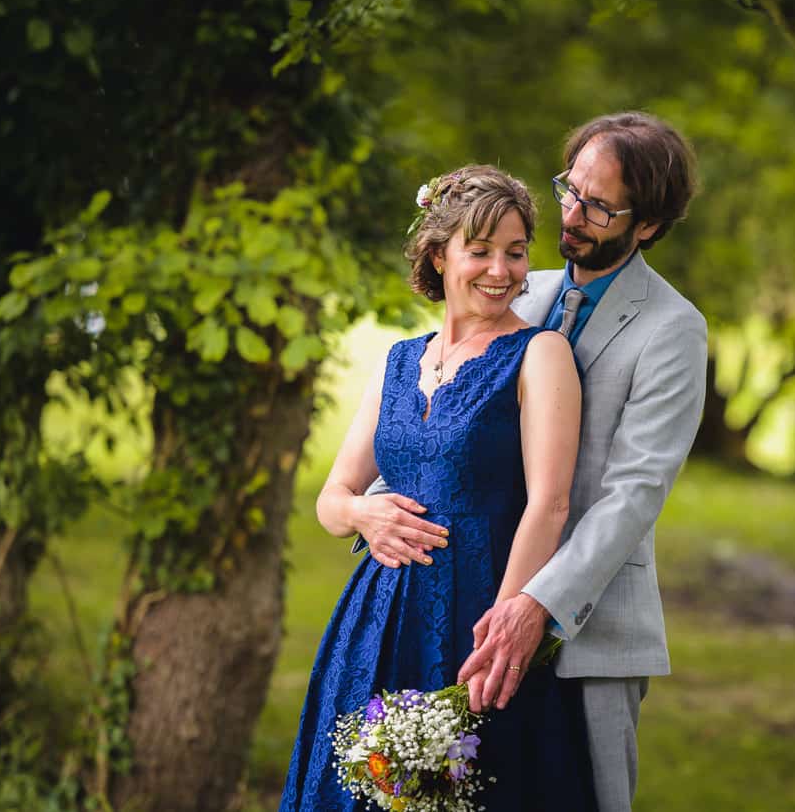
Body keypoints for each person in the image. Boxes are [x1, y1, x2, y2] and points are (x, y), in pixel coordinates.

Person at [363, 111, 708, 811]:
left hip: (591, 620)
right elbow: (452, 415)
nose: (572, 214)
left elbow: (632, 494)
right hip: (470, 604)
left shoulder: (674, 329)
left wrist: (536, 602)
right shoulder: (522, 283)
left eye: (599, 205)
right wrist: (366, 506)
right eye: (569, 189)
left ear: (646, 225)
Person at [277, 164, 598, 811]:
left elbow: (550, 502)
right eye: (479, 251)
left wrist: (508, 624)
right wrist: (365, 515)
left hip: (481, 615)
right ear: (438, 255)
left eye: (515, 252)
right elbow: (333, 495)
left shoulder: (541, 354)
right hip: (375, 621)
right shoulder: (399, 361)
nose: (502, 271)